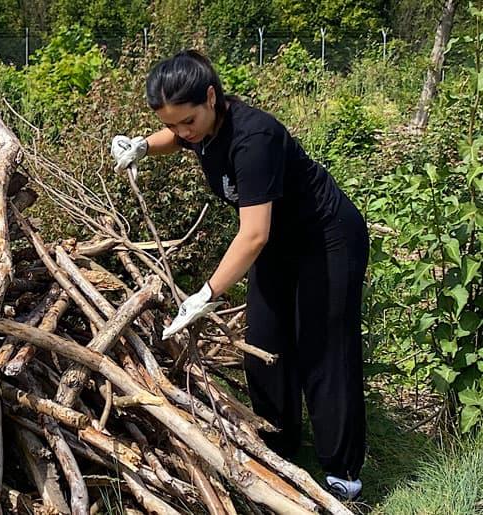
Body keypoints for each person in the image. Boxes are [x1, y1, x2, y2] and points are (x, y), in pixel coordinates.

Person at [112, 50, 369, 500]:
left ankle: (341, 473)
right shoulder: (199, 128)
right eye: (171, 124)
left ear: (212, 97)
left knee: (323, 349)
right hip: (277, 243)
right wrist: (144, 145)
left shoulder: (254, 138)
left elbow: (252, 235)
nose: (181, 132)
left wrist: (205, 294)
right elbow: (180, 140)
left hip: (325, 240)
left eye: (186, 121)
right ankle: (281, 448)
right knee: (264, 347)